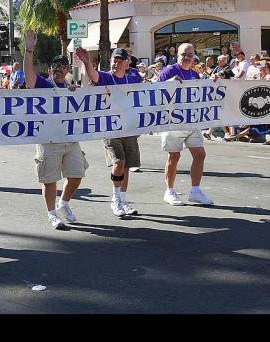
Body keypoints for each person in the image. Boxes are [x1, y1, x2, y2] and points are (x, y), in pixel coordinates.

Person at [23, 30, 87, 230]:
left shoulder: (71, 87)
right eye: (55, 66)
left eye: (61, 66)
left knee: (77, 175)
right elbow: (29, 76)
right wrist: (29, 51)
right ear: (50, 70)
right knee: (50, 180)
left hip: (70, 139)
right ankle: (52, 214)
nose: (58, 69)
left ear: (67, 69)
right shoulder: (43, 84)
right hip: (49, 140)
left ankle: (64, 203)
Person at [76, 46, 143, 217]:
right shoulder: (106, 77)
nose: (116, 63)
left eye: (120, 61)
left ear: (127, 63)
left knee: (126, 165)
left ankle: (123, 199)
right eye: (114, 60)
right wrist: (87, 62)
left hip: (128, 128)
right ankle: (115, 199)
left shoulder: (133, 78)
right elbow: (93, 75)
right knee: (118, 162)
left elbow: (151, 90)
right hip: (111, 129)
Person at [157, 42, 214, 206]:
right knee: (174, 156)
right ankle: (169, 191)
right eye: (184, 54)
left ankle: (195, 191)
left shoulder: (195, 74)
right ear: (177, 56)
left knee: (200, 154)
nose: (187, 58)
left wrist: (213, 82)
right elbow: (155, 91)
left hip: (191, 121)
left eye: (190, 55)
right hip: (173, 121)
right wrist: (169, 82)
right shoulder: (169, 71)